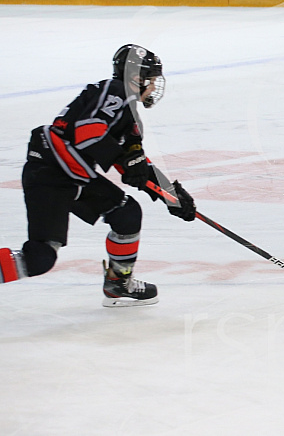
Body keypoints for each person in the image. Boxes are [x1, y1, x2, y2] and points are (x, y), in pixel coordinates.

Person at [0, 44, 196, 306]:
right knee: (40, 259)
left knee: (127, 214)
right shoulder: (115, 91)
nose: (154, 86)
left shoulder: (128, 114)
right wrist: (126, 160)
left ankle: (118, 283)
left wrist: (170, 195)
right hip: (50, 173)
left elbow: (134, 162)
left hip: (74, 176)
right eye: (151, 78)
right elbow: (88, 132)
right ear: (137, 77)